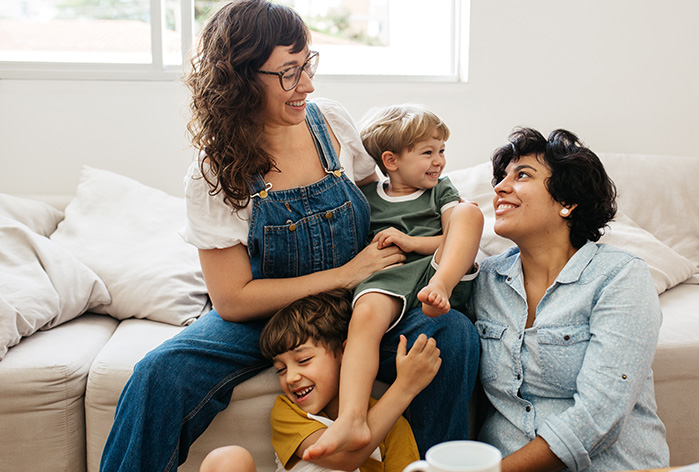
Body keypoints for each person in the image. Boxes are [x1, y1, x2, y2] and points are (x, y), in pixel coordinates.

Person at [98, 2, 479, 470]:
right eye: (288, 73)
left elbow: (380, 205)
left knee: (451, 335)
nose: (307, 85)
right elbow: (232, 300)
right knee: (160, 373)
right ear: (240, 80)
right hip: (269, 316)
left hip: (361, 303)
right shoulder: (214, 173)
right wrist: (342, 274)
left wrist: (423, 246)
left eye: (307, 65)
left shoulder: (332, 123)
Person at [470, 127, 669, 472]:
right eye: (501, 177)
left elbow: (599, 414)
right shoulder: (486, 279)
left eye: (522, 175)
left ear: (567, 202)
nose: (500, 187)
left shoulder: (620, 276)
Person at [307, 104, 484, 459]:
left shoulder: (441, 191)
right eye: (428, 153)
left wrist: (412, 242)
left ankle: (441, 288)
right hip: (390, 276)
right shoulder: (368, 197)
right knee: (365, 316)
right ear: (390, 160)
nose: (439, 161)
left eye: (442, 151)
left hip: (437, 272)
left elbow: (454, 237)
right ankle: (352, 418)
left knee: (469, 212)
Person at [199, 289, 439, 472]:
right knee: (227, 460)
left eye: (303, 360)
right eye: (280, 370)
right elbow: (343, 458)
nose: (291, 377)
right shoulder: (289, 412)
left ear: (345, 353)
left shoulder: (392, 424)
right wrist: (404, 388)